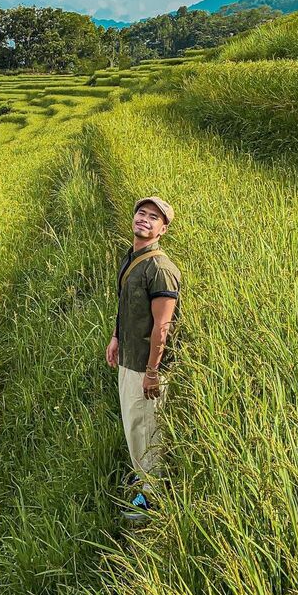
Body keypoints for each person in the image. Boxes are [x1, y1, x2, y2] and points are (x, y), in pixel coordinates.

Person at [105, 196, 181, 522]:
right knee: (134, 426)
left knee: (148, 431)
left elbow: (162, 327)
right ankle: (142, 478)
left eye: (154, 218)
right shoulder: (133, 256)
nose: (145, 219)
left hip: (146, 367)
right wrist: (116, 337)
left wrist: (152, 371)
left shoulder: (160, 269)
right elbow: (128, 305)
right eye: (142, 213)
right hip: (129, 357)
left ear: (162, 229)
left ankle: (150, 501)